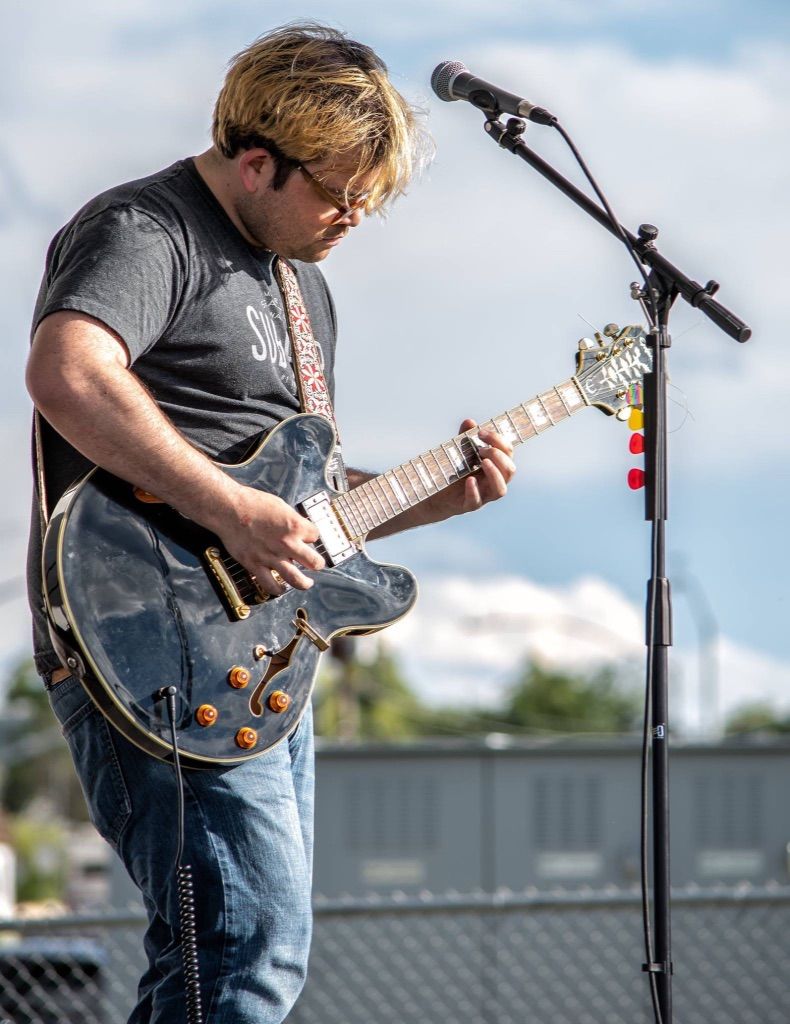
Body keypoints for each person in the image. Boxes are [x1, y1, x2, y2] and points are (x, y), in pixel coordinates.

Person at [25, 22, 515, 1024]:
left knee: (233, 956)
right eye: (338, 194)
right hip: (148, 642)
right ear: (256, 162)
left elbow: (297, 503)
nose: (354, 217)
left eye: (370, 198)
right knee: (245, 951)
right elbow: (67, 371)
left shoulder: (304, 287)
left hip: (258, 660)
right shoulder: (146, 229)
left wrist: (435, 496)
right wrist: (227, 507)